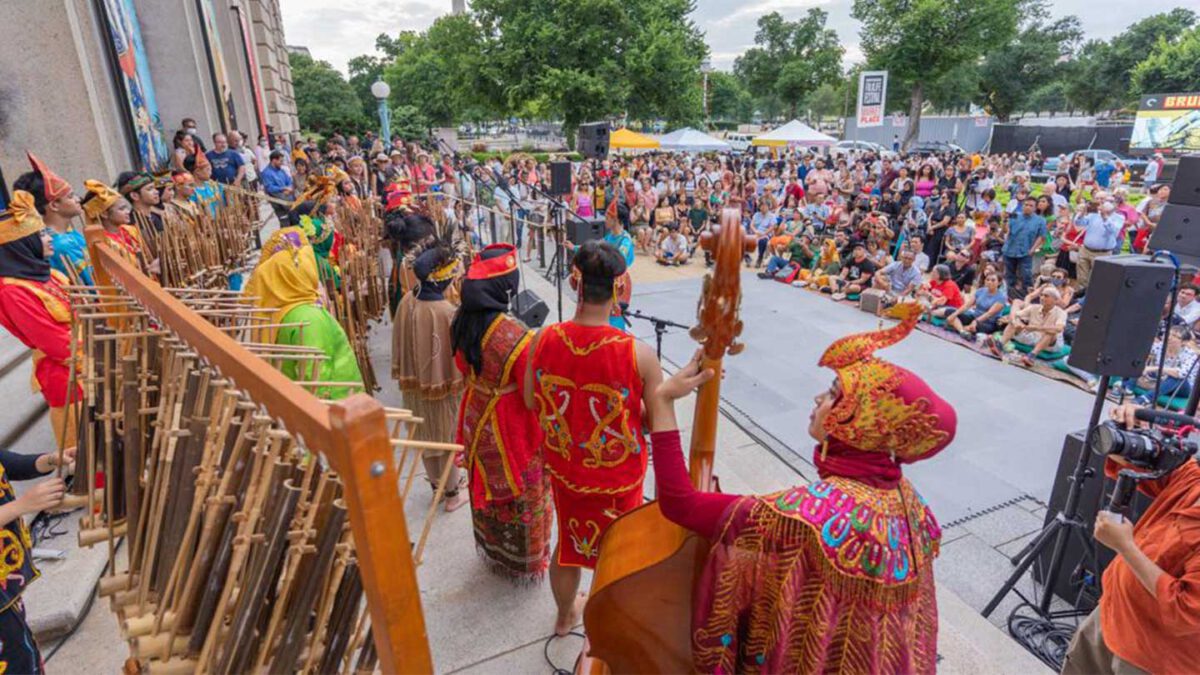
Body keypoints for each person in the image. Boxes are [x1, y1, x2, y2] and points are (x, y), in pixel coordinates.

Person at [647, 303, 955, 672]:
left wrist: (662, 400)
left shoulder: (811, 515)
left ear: (858, 423)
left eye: (833, 393)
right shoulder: (911, 504)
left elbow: (681, 505)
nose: (818, 400)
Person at [524, 240, 663, 636]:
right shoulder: (638, 353)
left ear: (576, 283)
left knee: (567, 546)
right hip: (618, 478)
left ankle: (565, 616)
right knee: (618, 549)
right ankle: (612, 624)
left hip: (567, 471)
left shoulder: (543, 339)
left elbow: (533, 400)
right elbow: (653, 423)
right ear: (619, 288)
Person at [1061, 402, 1200, 675]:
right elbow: (1160, 472)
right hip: (1111, 616)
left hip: (1152, 658)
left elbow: (1185, 611)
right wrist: (1131, 433)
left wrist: (1126, 547)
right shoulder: (1194, 480)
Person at [450, 243, 552, 583]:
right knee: (524, 489)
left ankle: (492, 550)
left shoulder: (462, 321)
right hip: (511, 424)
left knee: (487, 482)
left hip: (476, 410)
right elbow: (530, 396)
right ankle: (525, 559)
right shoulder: (516, 337)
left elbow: (461, 367)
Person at [0, 193, 82, 452]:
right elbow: (55, 344)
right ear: (22, 244)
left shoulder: (49, 274)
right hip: (67, 374)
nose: (49, 239)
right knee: (87, 446)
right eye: (41, 235)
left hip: (87, 358)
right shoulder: (12, 291)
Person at [244, 228, 364, 400]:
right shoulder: (308, 318)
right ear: (298, 277)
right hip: (337, 407)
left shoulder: (280, 310)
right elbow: (316, 380)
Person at [394, 246, 468, 513]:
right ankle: (452, 495)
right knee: (446, 437)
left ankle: (437, 488)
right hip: (442, 388)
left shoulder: (407, 301)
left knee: (426, 436)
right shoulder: (445, 312)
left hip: (414, 387)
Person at [12, 152, 93, 286]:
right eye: (71, 196)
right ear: (54, 205)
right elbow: (94, 286)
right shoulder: (61, 245)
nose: (78, 199)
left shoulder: (67, 233)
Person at [987, 286, 1066, 366]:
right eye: (1041, 295)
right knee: (1015, 322)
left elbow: (1059, 328)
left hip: (1051, 344)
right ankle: (999, 345)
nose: (1042, 298)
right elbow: (1017, 315)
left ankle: (1031, 356)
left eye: (1046, 296)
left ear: (1055, 300)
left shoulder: (1061, 313)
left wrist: (1036, 328)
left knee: (1051, 332)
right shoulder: (1034, 307)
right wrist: (1014, 321)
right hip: (1033, 336)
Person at [1076, 195, 1125, 288]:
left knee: (1097, 278)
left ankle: (1093, 298)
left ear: (1116, 204)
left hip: (1102, 253)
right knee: (1082, 277)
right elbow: (1079, 223)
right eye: (1105, 201)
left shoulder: (1119, 218)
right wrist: (1081, 214)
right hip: (1085, 250)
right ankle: (1081, 297)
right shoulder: (1093, 215)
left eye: (1110, 201)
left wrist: (1105, 217)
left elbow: (1113, 231)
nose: (1106, 203)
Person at [1002, 197, 1046, 298]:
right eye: (1026, 205)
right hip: (1010, 249)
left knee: (1026, 275)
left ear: (1035, 208)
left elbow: (1042, 236)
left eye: (1031, 206)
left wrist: (1033, 249)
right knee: (1009, 275)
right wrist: (1004, 222)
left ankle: (1027, 296)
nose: (1028, 207)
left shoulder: (1040, 220)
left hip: (1026, 251)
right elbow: (1006, 231)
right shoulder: (1015, 216)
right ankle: (1009, 296)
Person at [946, 271, 1008, 338]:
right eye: (987, 280)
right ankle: (963, 331)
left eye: (993, 280)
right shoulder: (980, 291)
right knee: (950, 312)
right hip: (974, 316)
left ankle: (958, 327)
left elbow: (989, 314)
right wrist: (954, 314)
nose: (989, 282)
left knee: (976, 327)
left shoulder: (1001, 297)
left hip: (988, 322)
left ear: (999, 283)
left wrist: (976, 321)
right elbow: (967, 305)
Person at [261, 150, 294, 224]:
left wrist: (289, 188)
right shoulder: (266, 173)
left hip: (288, 197)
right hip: (278, 201)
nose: (282, 163)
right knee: (285, 222)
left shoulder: (281, 170)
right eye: (280, 161)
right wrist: (283, 188)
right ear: (274, 160)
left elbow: (289, 180)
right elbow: (269, 188)